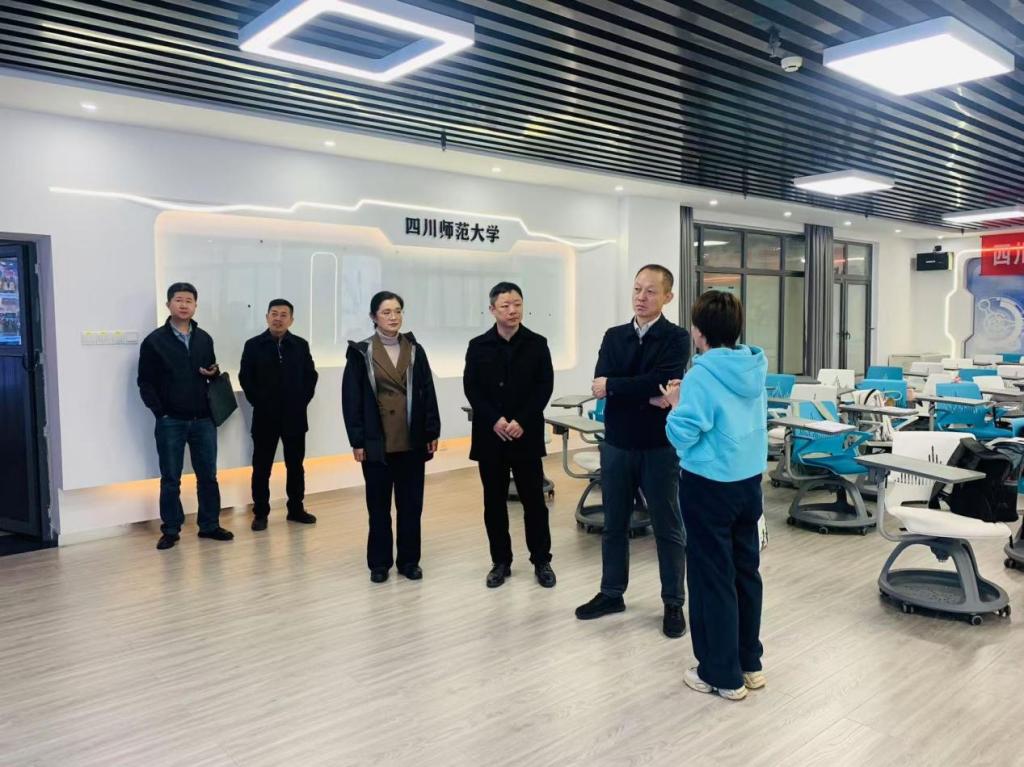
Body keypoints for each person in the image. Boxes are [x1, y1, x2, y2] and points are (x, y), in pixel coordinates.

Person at [662, 290, 767, 702]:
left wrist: (675, 404)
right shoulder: (753, 366)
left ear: (699, 331)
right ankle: (749, 663)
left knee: (712, 579)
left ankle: (721, 674)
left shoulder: (702, 375)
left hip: (709, 484)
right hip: (748, 482)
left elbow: (683, 434)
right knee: (746, 573)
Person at [574, 265, 690, 637]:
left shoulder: (676, 338)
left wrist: (617, 385)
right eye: (637, 289)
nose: (641, 297)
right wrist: (645, 392)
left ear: (668, 297)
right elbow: (601, 384)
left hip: (659, 446)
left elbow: (659, 381)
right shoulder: (614, 336)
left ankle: (673, 602)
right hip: (617, 444)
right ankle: (612, 593)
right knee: (614, 524)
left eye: (651, 291)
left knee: (667, 526)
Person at [342, 291, 441, 583]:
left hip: (411, 440)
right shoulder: (361, 352)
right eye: (386, 312)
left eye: (398, 311)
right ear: (373, 317)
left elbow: (427, 391)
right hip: (377, 442)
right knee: (378, 507)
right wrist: (357, 440)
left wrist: (432, 430)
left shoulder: (415, 349)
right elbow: (351, 399)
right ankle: (379, 563)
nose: (393, 317)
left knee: (411, 506)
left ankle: (409, 561)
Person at [464, 282, 556, 589]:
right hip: (491, 437)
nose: (512, 310)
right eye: (505, 305)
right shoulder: (478, 346)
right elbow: (472, 388)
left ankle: (541, 560)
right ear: (492, 310)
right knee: (494, 502)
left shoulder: (537, 343)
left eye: (517, 304)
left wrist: (522, 420)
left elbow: (544, 387)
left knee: (534, 502)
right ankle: (500, 561)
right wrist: (495, 420)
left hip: (525, 436)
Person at [137, 282, 233, 550]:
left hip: (203, 419)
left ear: (195, 306)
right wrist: (161, 413)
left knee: (208, 476)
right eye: (178, 300)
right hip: (171, 420)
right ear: (168, 304)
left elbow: (211, 370)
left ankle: (209, 525)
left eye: (189, 300)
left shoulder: (204, 338)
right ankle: (170, 529)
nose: (183, 305)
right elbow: (145, 382)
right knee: (171, 478)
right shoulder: (154, 341)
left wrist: (213, 372)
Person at [239, 299, 319, 531]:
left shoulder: (300, 345)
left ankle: (296, 509)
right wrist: (260, 402)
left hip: (295, 417)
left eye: (284, 315)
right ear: (267, 317)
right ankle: (260, 513)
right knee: (261, 467)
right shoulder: (253, 345)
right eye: (274, 313)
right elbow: (246, 378)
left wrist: (300, 402)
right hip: (265, 417)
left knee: (296, 466)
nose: (278, 318)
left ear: (291, 320)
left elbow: (310, 377)